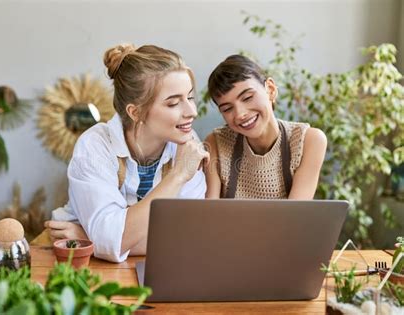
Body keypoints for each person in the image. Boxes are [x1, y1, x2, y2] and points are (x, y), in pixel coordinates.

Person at [44, 44, 209, 262]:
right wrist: (178, 175)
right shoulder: (95, 145)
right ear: (135, 111)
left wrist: (92, 240)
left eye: (189, 97)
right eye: (173, 103)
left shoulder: (187, 142)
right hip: (76, 261)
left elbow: (191, 236)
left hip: (137, 262)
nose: (192, 112)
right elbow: (112, 240)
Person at [204, 54, 327, 199]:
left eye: (247, 98)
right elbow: (211, 213)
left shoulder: (308, 141)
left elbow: (295, 217)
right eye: (227, 109)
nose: (240, 114)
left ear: (270, 89)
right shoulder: (216, 143)